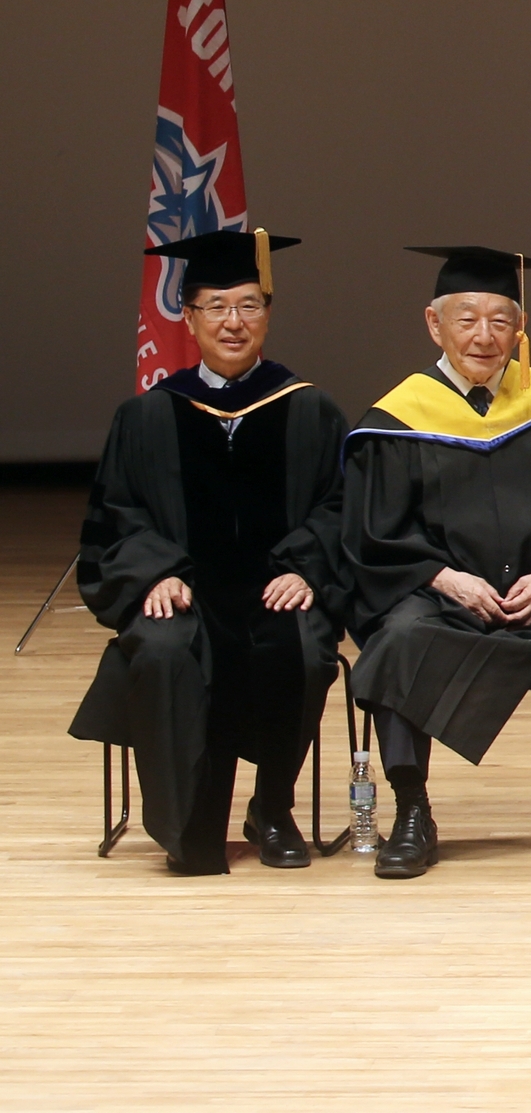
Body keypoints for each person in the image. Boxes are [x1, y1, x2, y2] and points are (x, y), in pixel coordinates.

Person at [343, 246, 531, 879]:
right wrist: (445, 579)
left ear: (520, 328)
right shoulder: (398, 419)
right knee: (396, 637)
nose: (483, 336)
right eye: (466, 319)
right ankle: (412, 810)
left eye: (499, 320)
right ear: (435, 325)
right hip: (445, 599)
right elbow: (377, 531)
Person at [67, 229, 345, 874]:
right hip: (185, 591)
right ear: (188, 318)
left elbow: (341, 506)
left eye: (248, 305)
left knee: (305, 649)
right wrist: (152, 572)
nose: (233, 322)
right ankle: (190, 824)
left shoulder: (311, 410)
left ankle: (272, 808)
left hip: (274, 587)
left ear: (267, 315)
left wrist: (307, 567)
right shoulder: (148, 416)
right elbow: (117, 512)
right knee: (166, 649)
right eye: (215, 307)